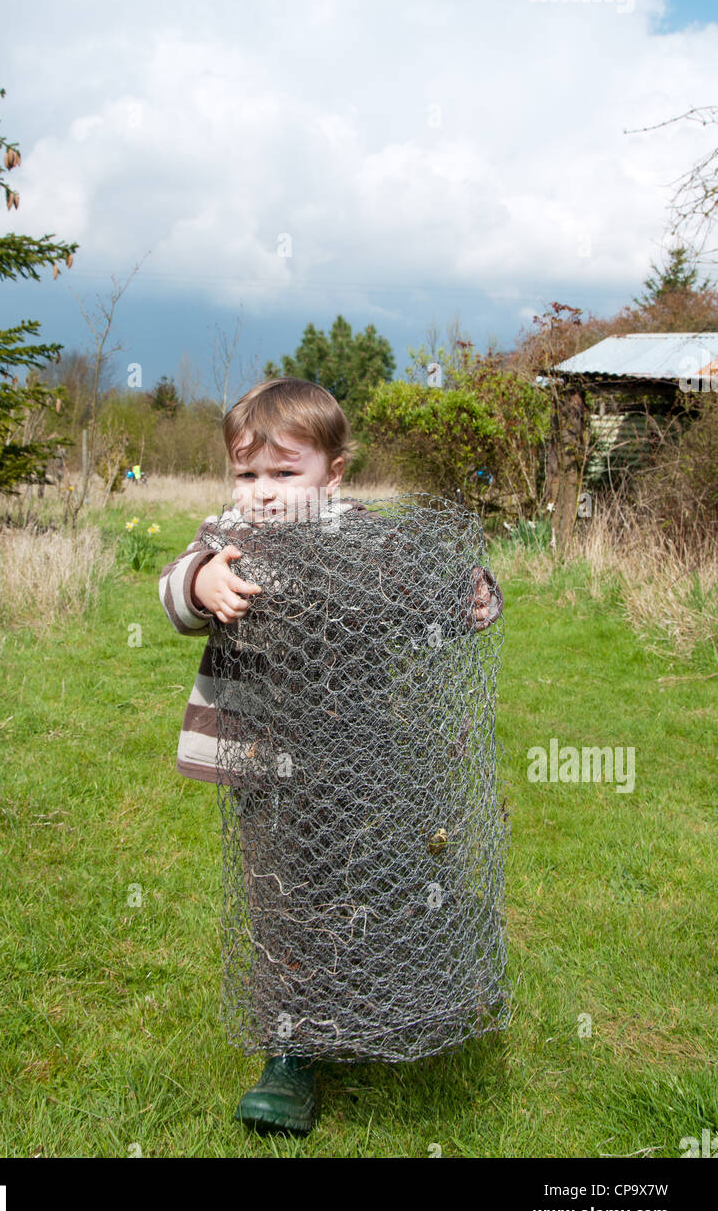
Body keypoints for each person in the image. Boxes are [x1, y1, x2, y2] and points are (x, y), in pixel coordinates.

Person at [157, 376, 502, 1136]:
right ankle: (290, 1054)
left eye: (286, 474)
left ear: (334, 474)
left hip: (360, 763)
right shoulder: (226, 539)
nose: (264, 494)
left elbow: (432, 592)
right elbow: (173, 597)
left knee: (370, 885)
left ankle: (373, 1005)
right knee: (282, 903)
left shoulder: (369, 540)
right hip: (262, 763)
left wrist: (475, 597)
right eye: (247, 474)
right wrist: (202, 579)